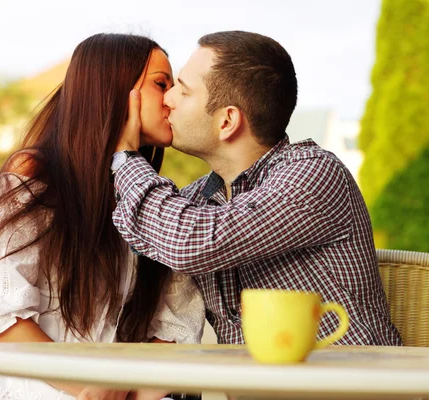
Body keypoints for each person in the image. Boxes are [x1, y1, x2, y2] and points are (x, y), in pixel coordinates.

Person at [112, 31, 402, 347]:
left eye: (183, 92)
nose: (167, 100)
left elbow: (189, 242)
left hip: (356, 387)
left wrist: (125, 157)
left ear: (227, 122)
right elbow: (142, 240)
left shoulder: (313, 175)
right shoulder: (197, 201)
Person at [0, 33, 205, 400]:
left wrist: (121, 384)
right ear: (115, 90)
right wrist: (91, 386)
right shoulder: (36, 176)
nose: (171, 98)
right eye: (160, 84)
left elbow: (173, 332)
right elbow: (4, 321)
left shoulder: (157, 203)